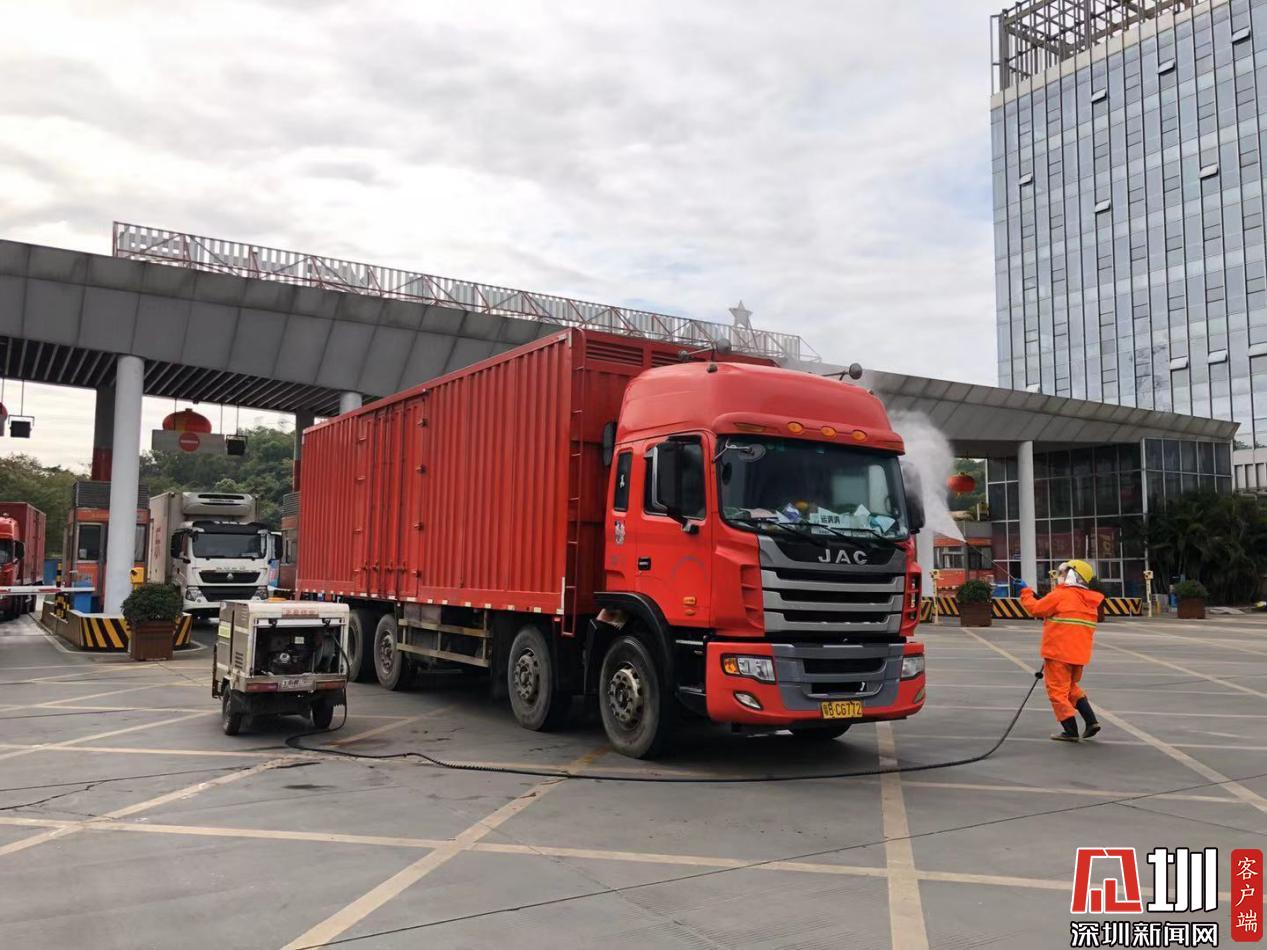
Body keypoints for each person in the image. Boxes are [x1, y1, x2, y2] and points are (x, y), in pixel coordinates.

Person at [1017, 560, 1105, 742]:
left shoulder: (1061, 595)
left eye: (1063, 573)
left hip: (1058, 654)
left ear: (1073, 575)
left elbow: (1035, 609)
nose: (1060, 576)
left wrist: (1025, 592)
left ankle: (1070, 731)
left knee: (1057, 691)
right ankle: (1091, 721)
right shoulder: (1089, 602)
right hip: (1078, 656)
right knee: (1070, 688)